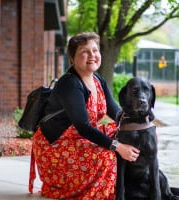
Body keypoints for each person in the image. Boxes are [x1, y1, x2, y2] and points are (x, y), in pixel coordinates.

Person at [29, 32, 140, 199]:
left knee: (125, 136)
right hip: (57, 145)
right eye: (84, 51)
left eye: (95, 50)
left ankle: (132, 187)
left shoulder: (98, 80)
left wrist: (140, 128)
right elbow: (83, 127)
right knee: (108, 155)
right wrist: (118, 146)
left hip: (79, 139)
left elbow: (116, 113)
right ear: (72, 59)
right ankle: (103, 194)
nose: (92, 55)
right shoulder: (70, 83)